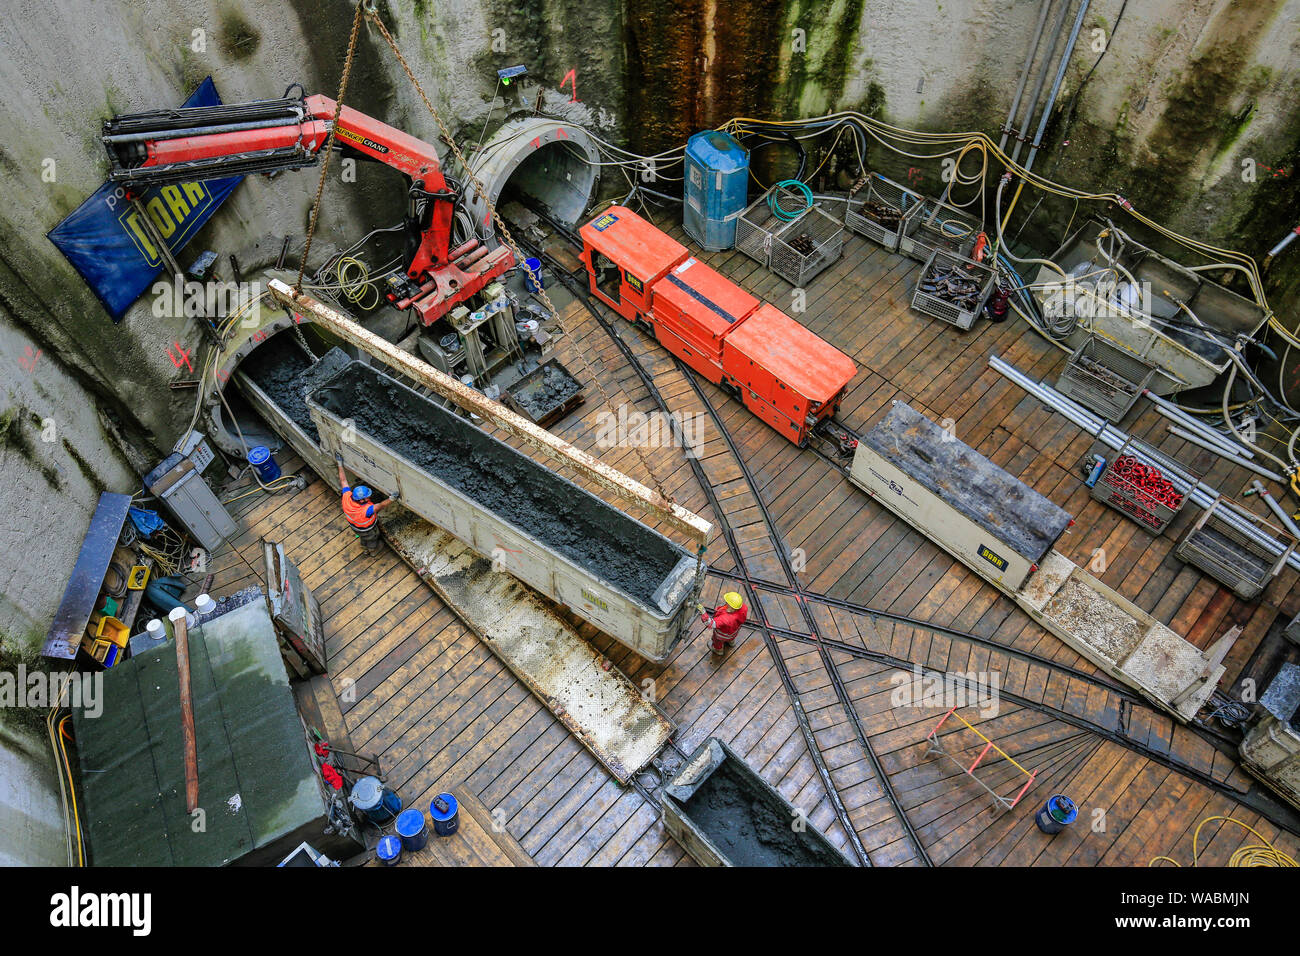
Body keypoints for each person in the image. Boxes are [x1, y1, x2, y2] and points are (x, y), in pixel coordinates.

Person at [336, 453, 399, 552]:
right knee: (372, 538)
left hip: (355, 527)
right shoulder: (366, 510)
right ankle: (372, 550)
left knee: (364, 538)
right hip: (367, 529)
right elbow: (380, 505)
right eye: (367, 496)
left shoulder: (347, 497)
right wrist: (392, 499)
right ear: (361, 500)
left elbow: (343, 480)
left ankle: (364, 545)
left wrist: (339, 464)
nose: (369, 496)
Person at [701, 591, 748, 656]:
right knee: (731, 637)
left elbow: (711, 624)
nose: (726, 603)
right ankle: (731, 642)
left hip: (722, 635)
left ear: (731, 607)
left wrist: (703, 614)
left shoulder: (725, 618)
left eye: (727, 602)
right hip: (734, 631)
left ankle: (718, 650)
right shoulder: (744, 608)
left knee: (717, 641)